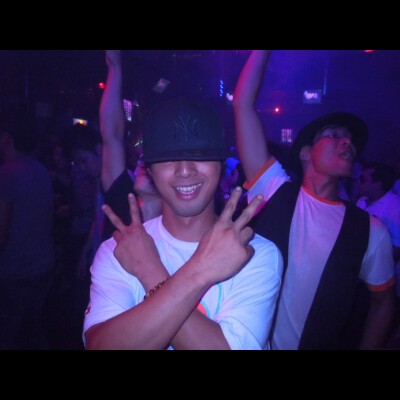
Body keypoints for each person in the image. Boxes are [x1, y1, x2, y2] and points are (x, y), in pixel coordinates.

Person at [83, 96, 283, 350]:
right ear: (149, 170)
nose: (185, 170)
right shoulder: (121, 249)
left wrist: (149, 269)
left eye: (200, 156)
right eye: (168, 159)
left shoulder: (255, 252)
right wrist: (199, 271)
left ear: (220, 165)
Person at [233, 50, 395, 350]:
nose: (347, 142)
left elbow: (383, 304)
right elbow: (243, 105)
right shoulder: (274, 188)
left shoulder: (370, 231)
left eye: (350, 140)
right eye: (333, 135)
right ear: (306, 152)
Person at [0, 109, 55, 349]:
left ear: (7, 138)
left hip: (16, 271)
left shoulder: (6, 175)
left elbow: (1, 234)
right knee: (34, 330)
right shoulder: (40, 170)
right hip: (42, 265)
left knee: (8, 335)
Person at [100, 49, 161, 240]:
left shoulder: (178, 222)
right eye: (144, 158)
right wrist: (115, 68)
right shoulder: (123, 199)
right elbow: (112, 135)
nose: (144, 162)